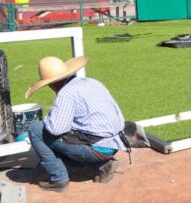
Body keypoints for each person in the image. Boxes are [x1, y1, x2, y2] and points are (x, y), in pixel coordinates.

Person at [25, 56, 127, 191]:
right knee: (69, 135)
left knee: (36, 130)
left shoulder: (66, 93)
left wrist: (49, 116)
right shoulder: (92, 82)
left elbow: (55, 129)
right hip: (115, 143)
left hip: (95, 149)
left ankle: (58, 178)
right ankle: (103, 164)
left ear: (52, 83)